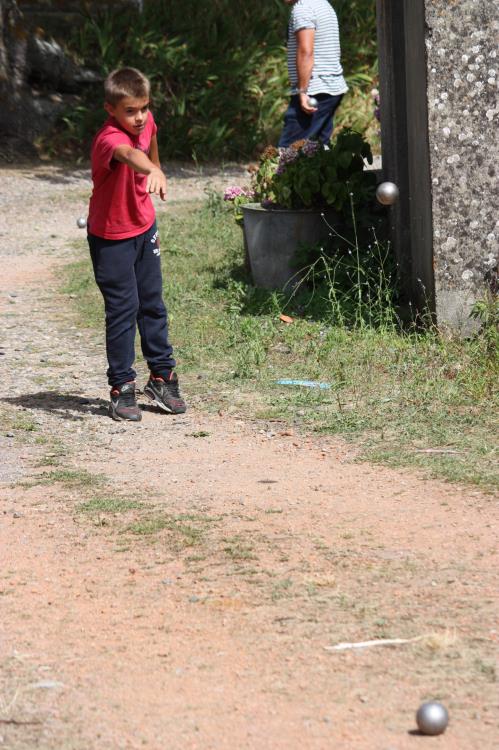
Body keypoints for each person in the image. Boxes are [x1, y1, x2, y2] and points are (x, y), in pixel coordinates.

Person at [87, 66, 186, 422]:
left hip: (144, 228)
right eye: (130, 111)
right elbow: (130, 155)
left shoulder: (147, 122)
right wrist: (150, 169)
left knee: (152, 303)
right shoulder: (109, 139)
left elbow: (150, 144)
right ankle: (122, 387)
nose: (140, 117)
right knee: (123, 310)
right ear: (111, 109)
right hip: (111, 237)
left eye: (144, 107)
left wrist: (157, 169)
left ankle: (162, 377)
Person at [279, 0, 348, 147]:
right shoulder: (322, 4)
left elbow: (306, 52)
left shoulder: (303, 9)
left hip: (315, 89)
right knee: (318, 151)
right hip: (331, 87)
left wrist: (303, 92)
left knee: (289, 153)